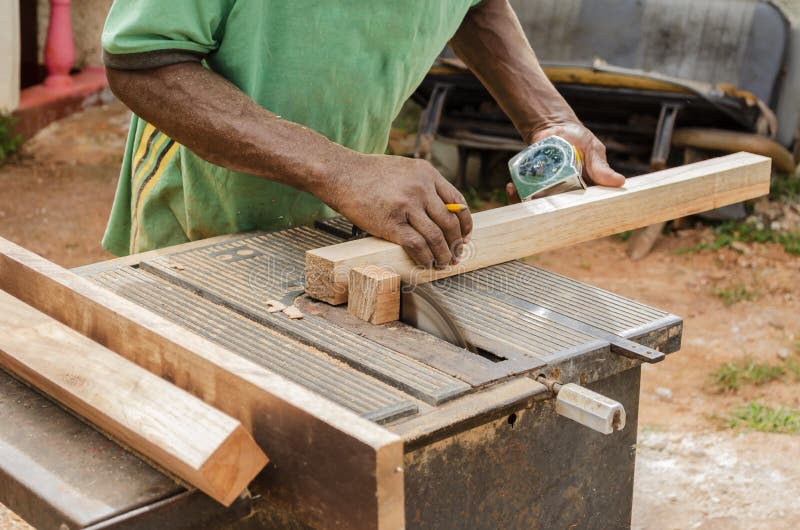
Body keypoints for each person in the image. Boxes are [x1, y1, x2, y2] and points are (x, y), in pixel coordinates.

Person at [101, 0, 625, 267]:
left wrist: (547, 119)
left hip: (342, 209)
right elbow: (143, 60)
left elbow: (476, 5)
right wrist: (341, 169)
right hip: (203, 210)